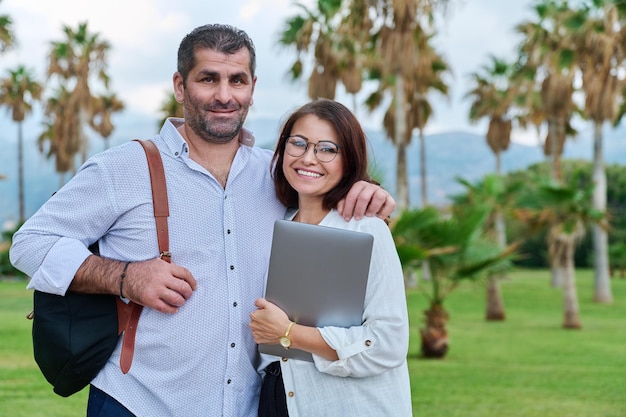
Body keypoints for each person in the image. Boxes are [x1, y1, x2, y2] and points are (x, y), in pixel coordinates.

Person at [9, 25, 395, 417]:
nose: (224, 95)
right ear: (180, 86)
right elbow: (30, 243)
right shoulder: (125, 167)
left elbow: (327, 186)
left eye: (237, 80)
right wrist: (127, 277)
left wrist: (366, 190)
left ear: (252, 87)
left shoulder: (280, 174)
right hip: (138, 403)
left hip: (246, 405)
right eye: (208, 79)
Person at [249, 99, 412, 417]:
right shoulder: (277, 222)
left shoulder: (366, 229)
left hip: (345, 405)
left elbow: (387, 343)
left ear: (347, 160)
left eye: (327, 149)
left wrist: (288, 334)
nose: (308, 158)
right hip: (278, 398)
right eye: (298, 143)